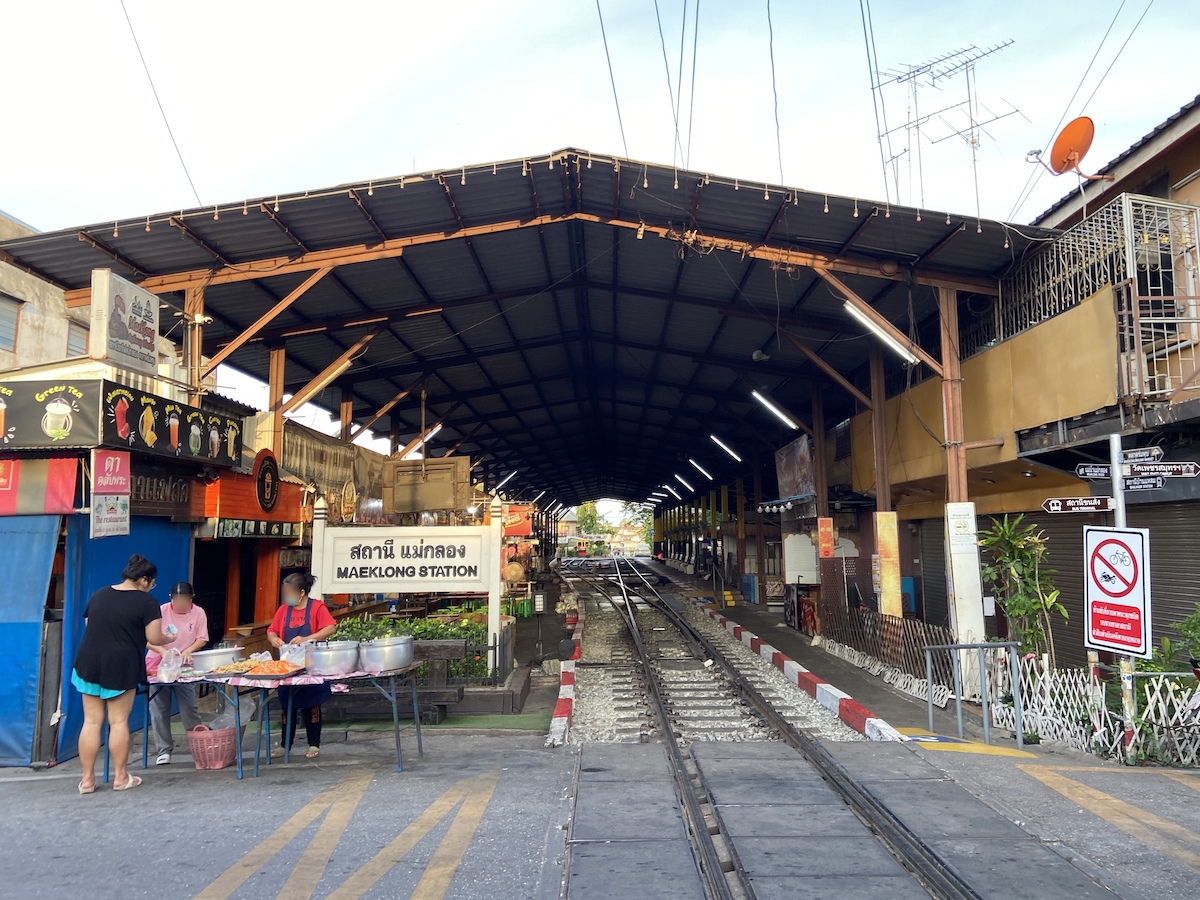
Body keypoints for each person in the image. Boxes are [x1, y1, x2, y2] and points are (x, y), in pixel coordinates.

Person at [71, 554, 174, 794]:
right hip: (121, 665)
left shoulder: (100, 594)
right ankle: (120, 777)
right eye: (153, 582)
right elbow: (154, 638)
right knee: (117, 721)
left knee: (91, 721)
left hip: (89, 662)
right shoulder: (146, 602)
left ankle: (87, 780)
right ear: (145, 580)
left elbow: (90, 624)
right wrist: (171, 638)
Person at [266, 573, 336, 759]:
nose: (286, 595)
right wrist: (274, 638)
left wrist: (307, 638)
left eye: (289, 592)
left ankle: (314, 744)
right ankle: (284, 745)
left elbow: (330, 628)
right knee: (287, 706)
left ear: (302, 592)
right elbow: (271, 630)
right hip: (287, 667)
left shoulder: (317, 608)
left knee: (311, 706)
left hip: (311, 665)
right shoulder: (283, 610)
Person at [146, 582, 209, 765]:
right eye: (177, 600)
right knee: (159, 708)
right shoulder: (161, 611)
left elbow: (202, 638)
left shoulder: (198, 613)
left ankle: (199, 746)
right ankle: (164, 750)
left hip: (184, 665)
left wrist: (189, 650)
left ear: (192, 598)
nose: (181, 604)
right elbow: (147, 639)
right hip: (159, 664)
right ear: (170, 598)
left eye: (185, 601)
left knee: (189, 706)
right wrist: (163, 652)